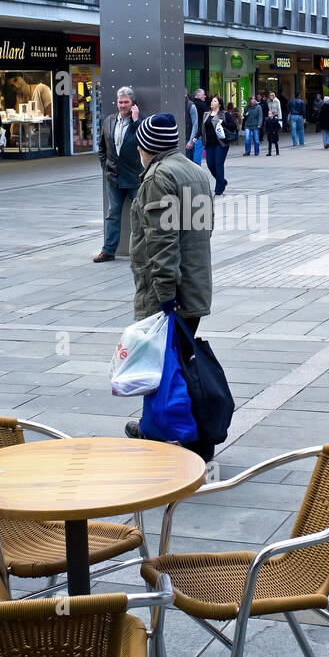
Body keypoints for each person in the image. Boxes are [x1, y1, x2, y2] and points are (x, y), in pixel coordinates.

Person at [125, 112, 214, 447]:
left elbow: (162, 241)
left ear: (148, 146)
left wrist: (164, 293)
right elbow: (204, 229)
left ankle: (180, 434)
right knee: (177, 362)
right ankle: (160, 426)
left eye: (139, 145)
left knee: (163, 365)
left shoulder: (158, 179)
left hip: (169, 289)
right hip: (195, 283)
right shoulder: (196, 171)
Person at [94, 86, 141, 261]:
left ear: (132, 103)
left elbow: (143, 142)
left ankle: (141, 251)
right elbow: (102, 147)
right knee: (112, 214)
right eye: (120, 102)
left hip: (135, 177)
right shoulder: (109, 121)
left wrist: (136, 121)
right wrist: (105, 167)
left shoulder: (140, 122)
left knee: (140, 214)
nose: (122, 105)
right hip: (113, 177)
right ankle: (108, 250)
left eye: (126, 102)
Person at [202, 95, 236, 194]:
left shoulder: (224, 114)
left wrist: (223, 123)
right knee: (210, 164)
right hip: (209, 144)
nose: (212, 103)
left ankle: (219, 189)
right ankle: (223, 181)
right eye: (212, 101)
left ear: (219, 104)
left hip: (221, 144)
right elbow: (202, 128)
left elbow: (233, 126)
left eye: (215, 101)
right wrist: (195, 137)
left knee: (218, 164)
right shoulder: (206, 115)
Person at [184, 91, 199, 161]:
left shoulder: (191, 106)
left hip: (188, 137)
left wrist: (191, 141)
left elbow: (195, 124)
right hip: (180, 138)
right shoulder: (176, 104)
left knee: (188, 160)